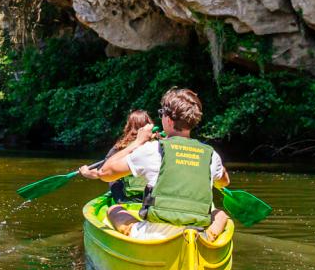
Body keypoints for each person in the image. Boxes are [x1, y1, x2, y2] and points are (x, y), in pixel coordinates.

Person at [80, 88, 230, 242]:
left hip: (155, 235)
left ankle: (133, 233)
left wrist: (137, 142)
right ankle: (209, 236)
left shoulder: (152, 149)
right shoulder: (212, 155)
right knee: (220, 214)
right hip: (197, 232)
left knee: (113, 209)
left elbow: (105, 173)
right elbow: (224, 182)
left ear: (169, 120)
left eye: (161, 114)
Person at [104, 110, 154, 203]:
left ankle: (120, 200)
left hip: (131, 198)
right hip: (152, 197)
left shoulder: (121, 146)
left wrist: (87, 171)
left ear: (129, 126)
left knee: (113, 176)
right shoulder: (158, 143)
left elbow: (105, 166)